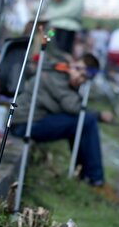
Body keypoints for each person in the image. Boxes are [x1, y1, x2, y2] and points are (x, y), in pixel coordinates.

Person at [12, 52, 113, 187]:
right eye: (77, 69)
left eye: (84, 77)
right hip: (24, 124)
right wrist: (99, 115)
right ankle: (96, 180)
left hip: (34, 121)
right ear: (74, 63)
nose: (79, 77)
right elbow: (72, 106)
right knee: (87, 121)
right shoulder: (58, 75)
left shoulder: (62, 73)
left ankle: (85, 175)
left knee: (83, 123)